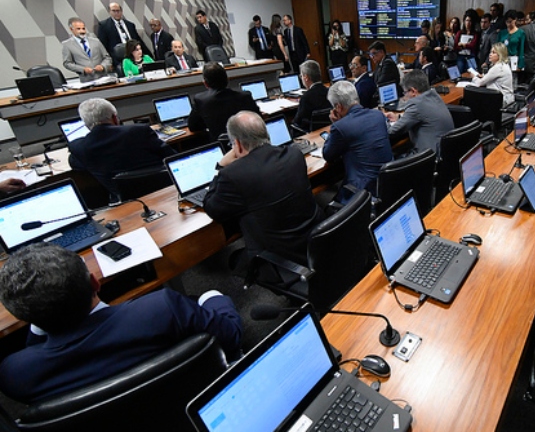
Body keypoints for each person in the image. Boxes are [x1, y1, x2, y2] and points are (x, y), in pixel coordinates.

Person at [0, 242, 241, 403]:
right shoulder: (160, 309)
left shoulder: (15, 375)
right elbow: (230, 337)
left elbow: (33, 350)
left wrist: (38, 320)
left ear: (22, 316)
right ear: (95, 283)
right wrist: (213, 298)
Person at [204, 111, 322, 266]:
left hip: (279, 256)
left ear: (237, 144)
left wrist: (220, 168)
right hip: (314, 239)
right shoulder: (293, 154)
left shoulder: (233, 175)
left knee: (234, 260)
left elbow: (213, 209)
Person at [68, 98, 174, 197]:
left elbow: (75, 164)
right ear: (114, 117)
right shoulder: (139, 131)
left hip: (129, 201)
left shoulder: (80, 147)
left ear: (86, 125)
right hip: (167, 190)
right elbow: (171, 155)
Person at [322, 81, 392, 201]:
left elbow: (327, 154)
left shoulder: (341, 127)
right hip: (388, 182)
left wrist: (336, 123)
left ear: (338, 107)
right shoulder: (378, 115)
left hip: (363, 191)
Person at [386, 69, 454, 156]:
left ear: (413, 91)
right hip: (445, 152)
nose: (404, 97)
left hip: (429, 157)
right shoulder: (434, 95)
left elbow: (392, 131)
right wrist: (398, 118)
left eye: (405, 92)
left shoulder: (416, 105)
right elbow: (419, 116)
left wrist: (384, 122)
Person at [188, 62, 259, 140]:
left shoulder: (201, 100)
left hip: (221, 147)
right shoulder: (245, 96)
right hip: (248, 143)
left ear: (205, 83)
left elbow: (193, 127)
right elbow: (258, 119)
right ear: (227, 80)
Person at [61, 17, 112, 82]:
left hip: (103, 77)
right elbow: (67, 63)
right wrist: (83, 69)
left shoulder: (96, 41)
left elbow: (107, 57)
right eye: (78, 29)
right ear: (71, 29)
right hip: (86, 80)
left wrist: (103, 66)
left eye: (83, 28)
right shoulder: (67, 44)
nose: (82, 31)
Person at [293, 60, 331, 131]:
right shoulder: (329, 91)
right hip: (328, 129)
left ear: (306, 78)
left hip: (311, 133)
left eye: (301, 76)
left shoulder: (306, 97)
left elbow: (297, 123)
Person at [455, 9, 481, 73]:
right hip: (461, 56)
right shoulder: (460, 32)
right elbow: (455, 46)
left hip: (471, 56)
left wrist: (463, 45)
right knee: (459, 72)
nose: (468, 23)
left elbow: (473, 45)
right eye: (466, 20)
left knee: (473, 72)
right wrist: (462, 46)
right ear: (464, 21)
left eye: (470, 21)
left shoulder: (475, 33)